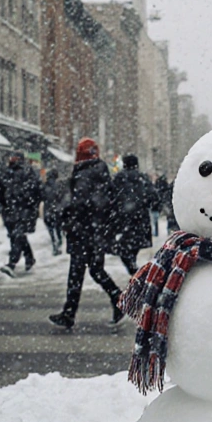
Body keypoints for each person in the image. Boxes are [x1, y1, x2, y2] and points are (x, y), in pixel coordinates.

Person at [50, 137, 125, 330]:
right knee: (95, 270)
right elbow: (107, 202)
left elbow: (80, 203)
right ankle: (118, 299)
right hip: (96, 231)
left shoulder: (84, 174)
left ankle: (69, 314)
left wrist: (68, 217)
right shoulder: (101, 172)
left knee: (77, 273)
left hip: (83, 232)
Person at [109, 154, 158, 275]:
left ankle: (135, 273)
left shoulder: (119, 178)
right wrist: (145, 205)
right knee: (132, 249)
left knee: (123, 249)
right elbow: (154, 197)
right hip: (141, 220)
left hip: (124, 220)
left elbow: (111, 197)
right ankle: (135, 272)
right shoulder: (143, 178)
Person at [0, 153, 42, 277]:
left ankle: (12, 263)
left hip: (22, 211)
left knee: (17, 235)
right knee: (16, 237)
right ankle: (29, 258)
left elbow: (36, 191)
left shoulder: (27, 172)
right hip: (12, 210)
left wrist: (30, 205)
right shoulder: (7, 172)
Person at [42, 169, 66, 255]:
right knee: (58, 228)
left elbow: (41, 197)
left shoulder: (44, 186)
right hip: (57, 210)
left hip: (47, 211)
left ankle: (54, 243)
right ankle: (59, 241)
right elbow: (63, 197)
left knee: (51, 229)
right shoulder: (60, 185)